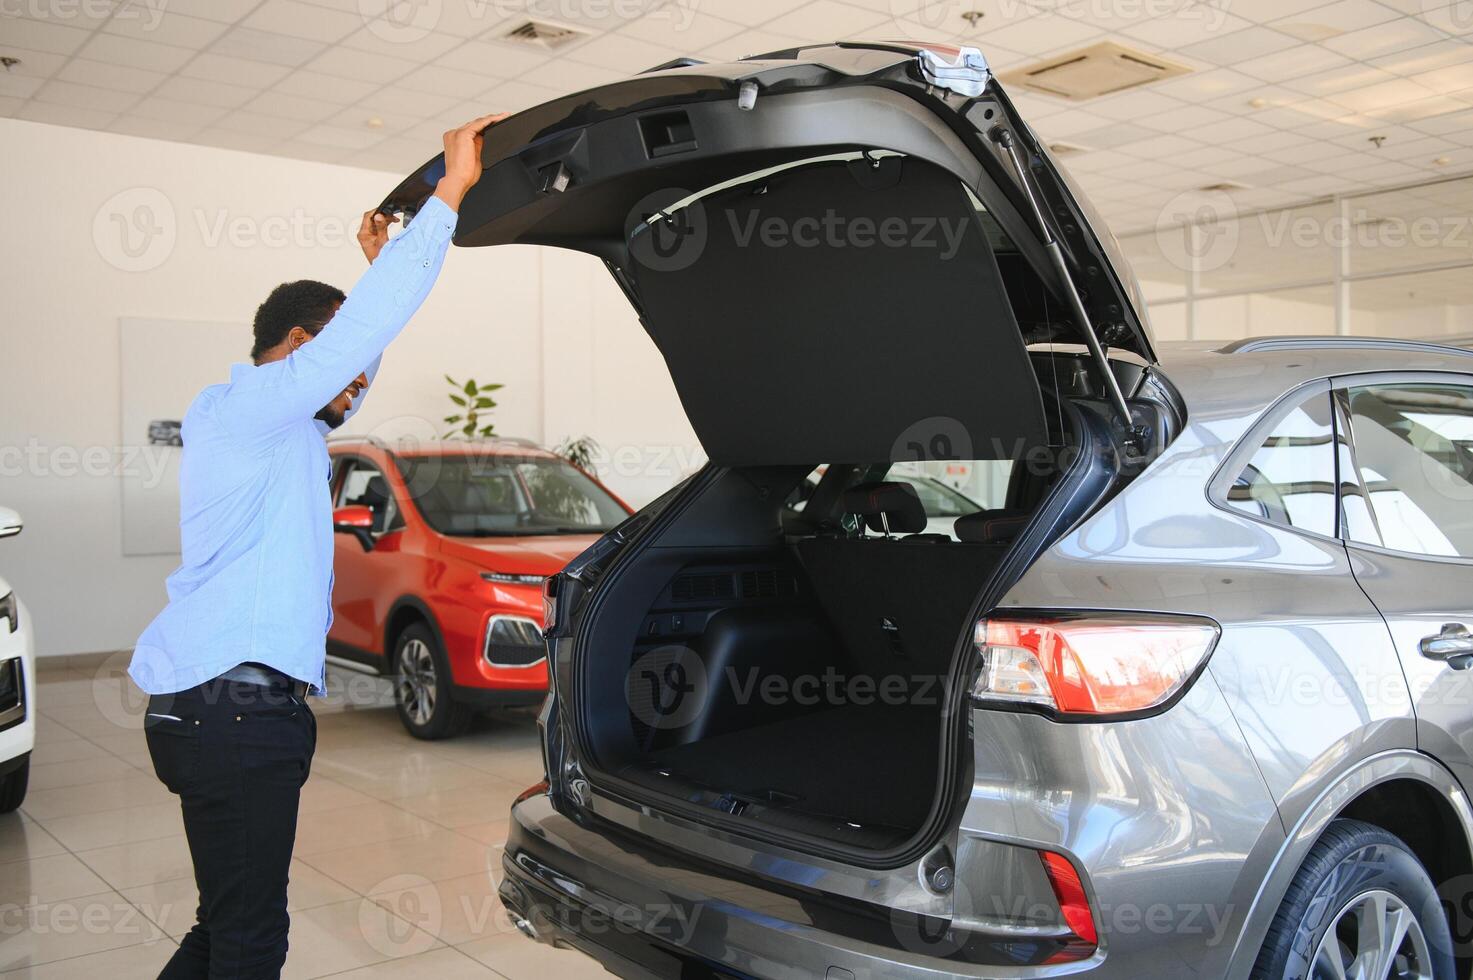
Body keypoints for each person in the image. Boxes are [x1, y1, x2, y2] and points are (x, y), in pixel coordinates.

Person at [128, 112, 506, 979]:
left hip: (219, 711)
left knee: (223, 930)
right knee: (252, 940)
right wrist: (449, 194)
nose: (359, 386)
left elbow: (356, 349)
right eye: (345, 366)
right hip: (234, 713)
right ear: (298, 347)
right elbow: (354, 343)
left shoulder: (269, 423)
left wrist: (378, 272)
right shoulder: (253, 405)